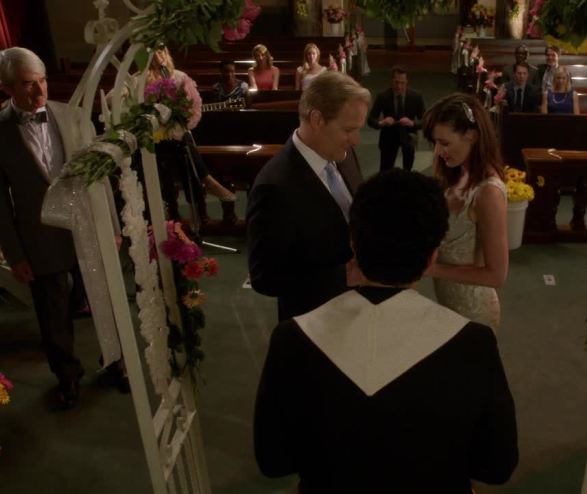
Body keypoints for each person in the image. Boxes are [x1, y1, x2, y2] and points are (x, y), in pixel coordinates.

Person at [253, 169, 518, 491]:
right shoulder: (474, 344)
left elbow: (273, 461)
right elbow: (496, 466)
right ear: (432, 255)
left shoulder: (291, 339)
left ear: (353, 243)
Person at [0, 47, 88, 408]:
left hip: (84, 225)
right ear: (6, 87)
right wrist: (15, 254)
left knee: (106, 300)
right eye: (27, 84)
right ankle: (67, 376)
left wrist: (113, 227)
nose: (39, 92)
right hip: (38, 235)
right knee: (53, 316)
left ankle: (117, 363)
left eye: (43, 81)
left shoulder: (71, 116)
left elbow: (101, 178)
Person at [247, 70, 370, 321]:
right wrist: (344, 276)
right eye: (349, 129)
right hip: (315, 319)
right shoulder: (274, 187)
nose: (356, 140)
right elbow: (265, 278)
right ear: (317, 119)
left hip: (361, 308)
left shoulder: (343, 153)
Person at [422, 93, 509, 330]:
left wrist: (431, 269)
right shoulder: (458, 171)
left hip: (474, 311)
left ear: (471, 136)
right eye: (435, 143)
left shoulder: (488, 193)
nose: (438, 151)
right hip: (448, 302)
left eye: (445, 143)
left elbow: (497, 275)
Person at [146, 44, 236, 204]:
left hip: (176, 133)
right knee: (183, 146)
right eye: (153, 54)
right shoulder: (142, 79)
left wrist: (183, 114)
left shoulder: (178, 76)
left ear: (166, 53)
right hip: (155, 136)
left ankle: (199, 207)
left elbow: (191, 104)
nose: (157, 58)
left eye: (160, 52)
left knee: (184, 150)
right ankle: (207, 181)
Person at [367, 65, 425, 172]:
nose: (399, 86)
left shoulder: (416, 97)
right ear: (391, 81)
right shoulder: (382, 97)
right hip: (388, 137)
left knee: (407, 171)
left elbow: (425, 121)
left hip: (409, 136)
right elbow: (371, 120)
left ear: (407, 81)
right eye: (396, 82)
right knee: (385, 171)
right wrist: (382, 123)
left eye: (402, 83)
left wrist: (412, 123)